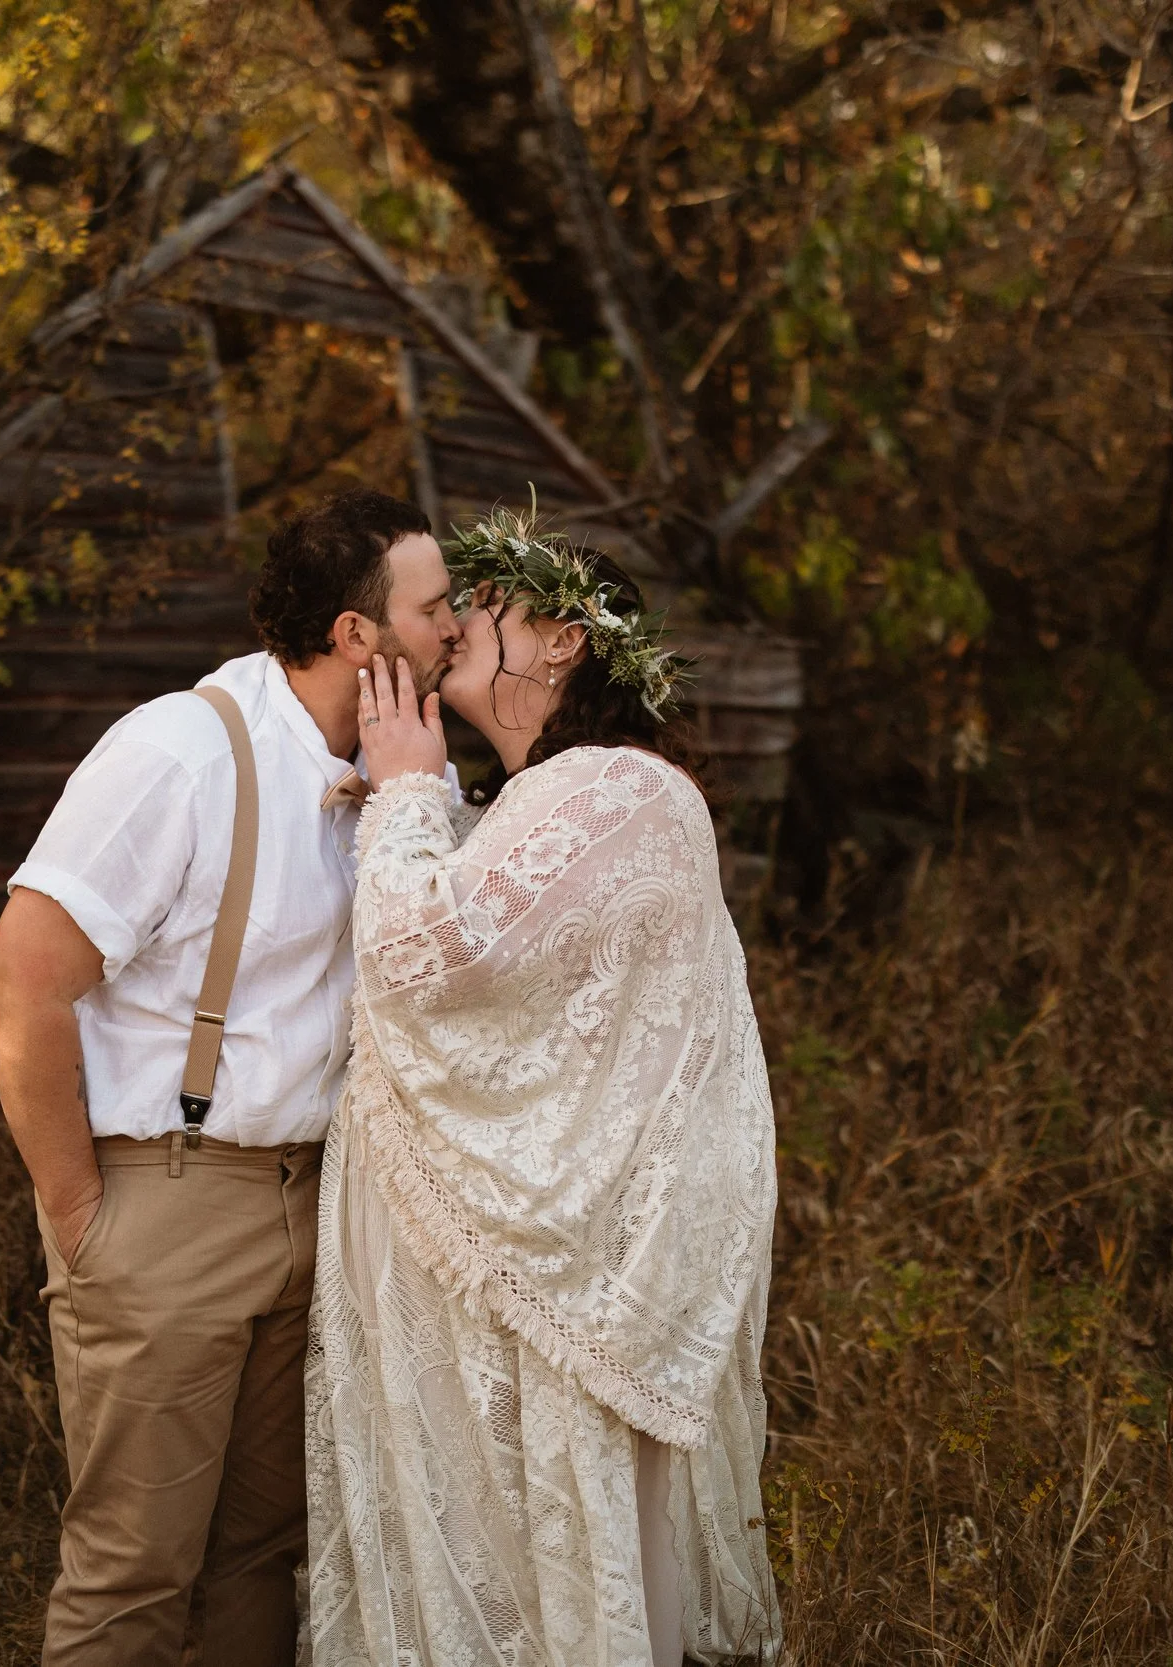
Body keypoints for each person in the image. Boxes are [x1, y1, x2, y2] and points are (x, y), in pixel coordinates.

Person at [0, 488, 465, 1666]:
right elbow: (22, 978)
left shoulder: (408, 770)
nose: (456, 624)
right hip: (168, 1199)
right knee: (134, 1566)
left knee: (263, 1551)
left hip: (325, 1203)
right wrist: (82, 1213)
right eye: (436, 604)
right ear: (361, 635)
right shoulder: (180, 752)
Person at [305, 507, 784, 1667]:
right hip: (495, 1288)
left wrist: (410, 791)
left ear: (563, 638)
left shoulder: (618, 787)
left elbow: (427, 953)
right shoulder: (543, 801)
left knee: (532, 1584)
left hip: (550, 1297)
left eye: (489, 603)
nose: (459, 622)